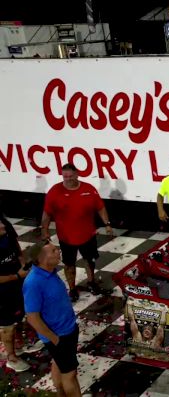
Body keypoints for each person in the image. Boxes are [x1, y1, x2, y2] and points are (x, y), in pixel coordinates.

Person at [41, 163, 113, 302]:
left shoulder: (89, 189)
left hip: (88, 235)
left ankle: (91, 282)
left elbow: (100, 207)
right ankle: (72, 289)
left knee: (90, 261)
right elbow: (47, 213)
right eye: (65, 176)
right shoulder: (54, 192)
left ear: (77, 175)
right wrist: (44, 230)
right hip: (66, 237)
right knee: (69, 264)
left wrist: (107, 224)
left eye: (70, 176)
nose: (67, 179)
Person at [23, 243, 81, 397]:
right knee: (70, 375)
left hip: (68, 328)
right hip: (59, 335)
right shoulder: (33, 282)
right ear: (41, 258)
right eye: (53, 251)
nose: (58, 251)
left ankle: (60, 394)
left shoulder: (50, 272)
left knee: (58, 364)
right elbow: (32, 318)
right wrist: (55, 339)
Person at [0, 216, 43, 372]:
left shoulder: (7, 232)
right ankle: (11, 357)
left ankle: (18, 345)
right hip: (2, 290)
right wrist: (17, 276)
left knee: (18, 315)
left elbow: (17, 250)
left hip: (16, 283)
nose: (3, 225)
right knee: (7, 325)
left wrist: (24, 266)